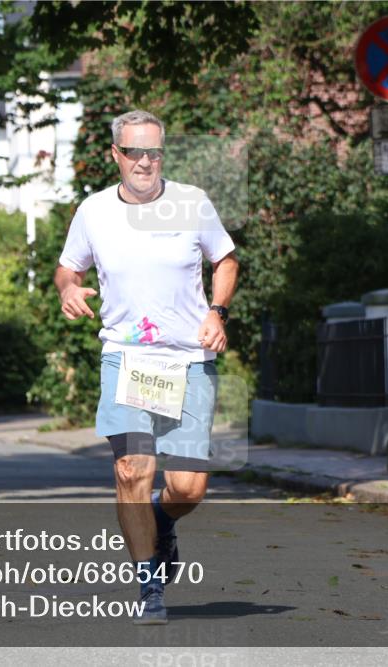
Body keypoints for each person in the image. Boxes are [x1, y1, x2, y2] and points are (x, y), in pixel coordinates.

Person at [54, 110, 239, 624]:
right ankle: (149, 587)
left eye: (153, 152)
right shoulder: (93, 212)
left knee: (187, 488)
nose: (145, 162)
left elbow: (225, 259)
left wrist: (216, 312)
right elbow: (68, 267)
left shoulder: (190, 202)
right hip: (127, 358)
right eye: (134, 152)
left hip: (187, 361)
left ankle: (161, 521)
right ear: (115, 155)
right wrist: (69, 288)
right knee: (133, 469)